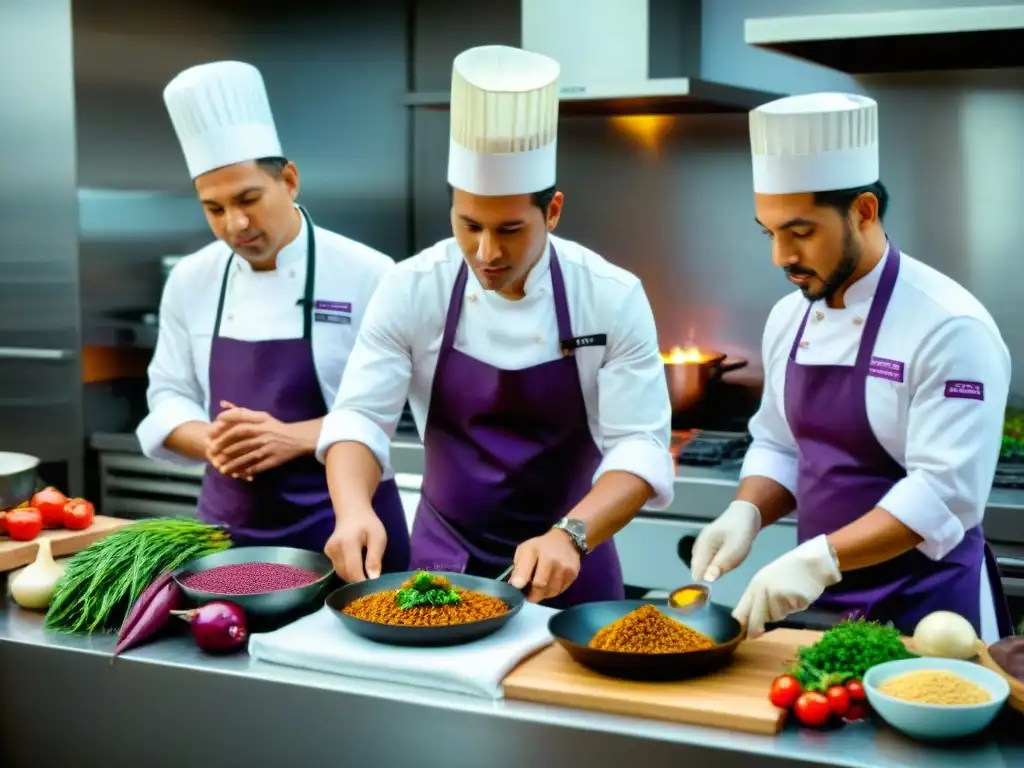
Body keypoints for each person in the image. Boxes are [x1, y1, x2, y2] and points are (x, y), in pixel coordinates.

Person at [317, 45, 673, 606]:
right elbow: (360, 415)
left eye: (510, 230)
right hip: (442, 566)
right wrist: (354, 510)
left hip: (573, 561)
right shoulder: (414, 287)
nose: (486, 252)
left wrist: (571, 535)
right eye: (468, 224)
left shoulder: (610, 295)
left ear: (552, 212)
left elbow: (641, 447)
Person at [690, 92, 1013, 641]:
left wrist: (818, 560)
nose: (781, 257)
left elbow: (942, 495)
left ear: (864, 211)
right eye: (769, 233)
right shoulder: (788, 318)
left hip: (931, 616)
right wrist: (745, 511)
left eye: (801, 231)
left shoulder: (949, 327)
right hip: (822, 610)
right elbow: (779, 445)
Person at [136, 60, 410, 567]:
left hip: (346, 529)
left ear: (289, 180)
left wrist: (291, 438)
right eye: (214, 209)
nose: (236, 224)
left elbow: (395, 410)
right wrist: (216, 442)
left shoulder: (369, 272)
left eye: (249, 198)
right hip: (227, 534)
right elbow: (168, 395)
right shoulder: (192, 278)